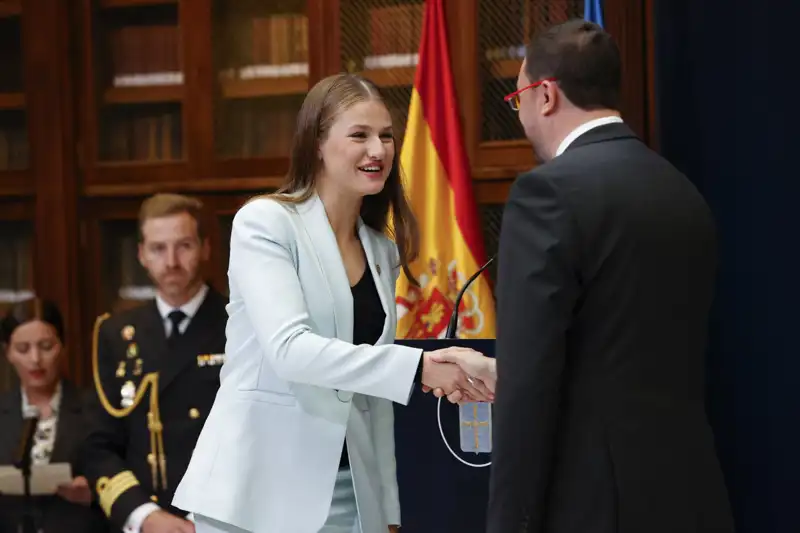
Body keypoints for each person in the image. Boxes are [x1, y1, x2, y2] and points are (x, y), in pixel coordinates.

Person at [171, 72, 495, 533]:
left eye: (386, 136)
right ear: (317, 144)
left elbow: (372, 399)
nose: (378, 150)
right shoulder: (265, 223)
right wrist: (420, 368)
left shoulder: (380, 251)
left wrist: (388, 510)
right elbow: (291, 350)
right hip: (256, 492)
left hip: (348, 494)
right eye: (359, 135)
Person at [483, 19, 735, 533]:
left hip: (592, 506)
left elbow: (529, 383)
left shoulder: (546, 194)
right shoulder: (682, 190)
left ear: (546, 94)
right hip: (693, 495)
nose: (521, 115)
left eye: (518, 99)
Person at [79, 193, 228, 533]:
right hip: (143, 521)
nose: (171, 261)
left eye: (184, 246)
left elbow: (259, 437)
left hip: (217, 520)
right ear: (142, 255)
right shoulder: (116, 335)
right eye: (158, 248)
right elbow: (97, 445)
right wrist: (143, 515)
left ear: (205, 248)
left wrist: (203, 522)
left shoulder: (238, 325)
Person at [0, 298, 106, 533]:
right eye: (23, 349)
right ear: (8, 352)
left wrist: (96, 494)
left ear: (62, 346)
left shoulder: (94, 408)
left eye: (46, 346)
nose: (35, 359)